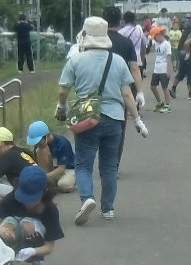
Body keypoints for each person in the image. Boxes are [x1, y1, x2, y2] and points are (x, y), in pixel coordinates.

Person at [55, 15, 145, 226]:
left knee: (84, 164)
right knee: (109, 167)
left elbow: (63, 90)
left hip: (87, 119)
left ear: (85, 35)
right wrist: (137, 119)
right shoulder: (118, 61)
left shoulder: (76, 60)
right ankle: (108, 208)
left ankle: (87, 198)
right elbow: (127, 95)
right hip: (115, 119)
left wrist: (62, 105)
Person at [0, 163, 62, 265]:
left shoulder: (50, 210)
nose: (26, 202)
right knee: (9, 222)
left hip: (35, 245)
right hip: (13, 240)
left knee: (27, 223)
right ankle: (6, 260)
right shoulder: (13, 198)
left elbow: (49, 247)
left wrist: (33, 251)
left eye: (31, 198)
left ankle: (38, 260)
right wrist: (0, 229)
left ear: (43, 192)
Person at [0, 126, 41, 202]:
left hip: (29, 195)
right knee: (7, 179)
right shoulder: (24, 151)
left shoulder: (7, 156)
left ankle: (13, 210)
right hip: (42, 189)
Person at [25, 119, 75, 193]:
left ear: (46, 135)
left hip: (67, 169)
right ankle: (51, 183)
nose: (37, 144)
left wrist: (44, 177)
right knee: (39, 150)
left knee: (64, 185)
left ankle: (73, 179)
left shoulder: (62, 143)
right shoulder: (39, 147)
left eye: (39, 141)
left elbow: (61, 169)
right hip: (52, 170)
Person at [148, 26, 173, 111]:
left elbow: (169, 57)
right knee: (152, 86)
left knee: (164, 87)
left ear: (159, 35)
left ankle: (167, 105)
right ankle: (159, 102)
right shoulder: (156, 43)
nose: (154, 39)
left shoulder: (166, 44)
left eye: (155, 37)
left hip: (164, 68)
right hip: (156, 68)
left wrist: (169, 70)